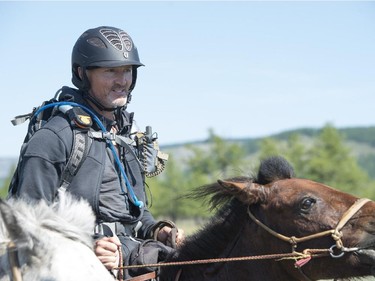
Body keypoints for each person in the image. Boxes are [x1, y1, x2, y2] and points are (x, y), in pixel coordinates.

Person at [8, 26, 184, 279]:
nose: (122, 80)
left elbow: (134, 212)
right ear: (82, 74)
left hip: (128, 260)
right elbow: (26, 223)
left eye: (127, 71)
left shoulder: (125, 136)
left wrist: (158, 230)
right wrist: (88, 246)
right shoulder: (54, 137)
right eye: (110, 70)